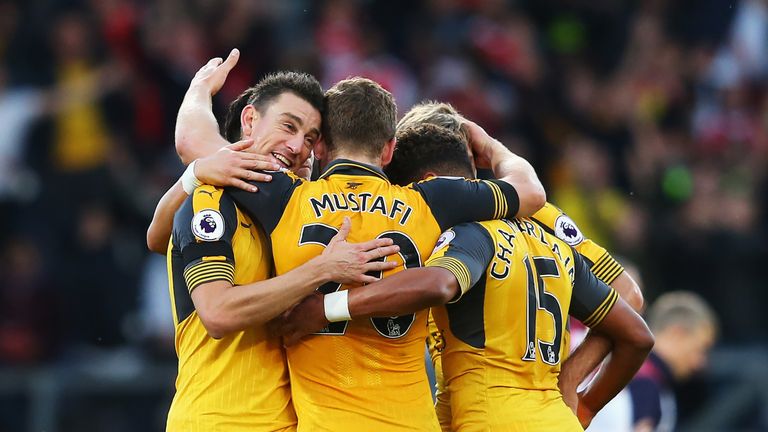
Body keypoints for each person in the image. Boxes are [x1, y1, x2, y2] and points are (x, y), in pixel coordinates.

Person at [194, 76, 546, 431]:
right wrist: (490, 146)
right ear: (389, 150)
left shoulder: (284, 196)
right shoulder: (432, 200)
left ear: (320, 147)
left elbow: (196, 144)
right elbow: (531, 193)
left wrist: (198, 93)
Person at [272, 124, 654, 431]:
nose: (411, 206)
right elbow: (635, 326)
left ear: (433, 181)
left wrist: (328, 307)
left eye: (412, 192)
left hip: (488, 418)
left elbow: (439, 283)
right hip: (553, 417)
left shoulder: (469, 235)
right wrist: (578, 396)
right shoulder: (544, 228)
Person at [158, 52, 402, 431]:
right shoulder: (211, 198)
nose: (297, 147)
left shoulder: (299, 212)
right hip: (222, 421)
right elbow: (219, 313)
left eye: (310, 139)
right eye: (288, 127)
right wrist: (199, 92)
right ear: (250, 120)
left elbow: (157, 236)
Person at [392, 100, 645, 424]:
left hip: (499, 408)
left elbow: (628, 295)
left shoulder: (532, 215)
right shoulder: (522, 218)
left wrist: (570, 376)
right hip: (506, 410)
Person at [625, 291, 717, 432]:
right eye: (700, 349)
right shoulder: (645, 380)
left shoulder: (635, 371)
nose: (700, 362)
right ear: (676, 333)